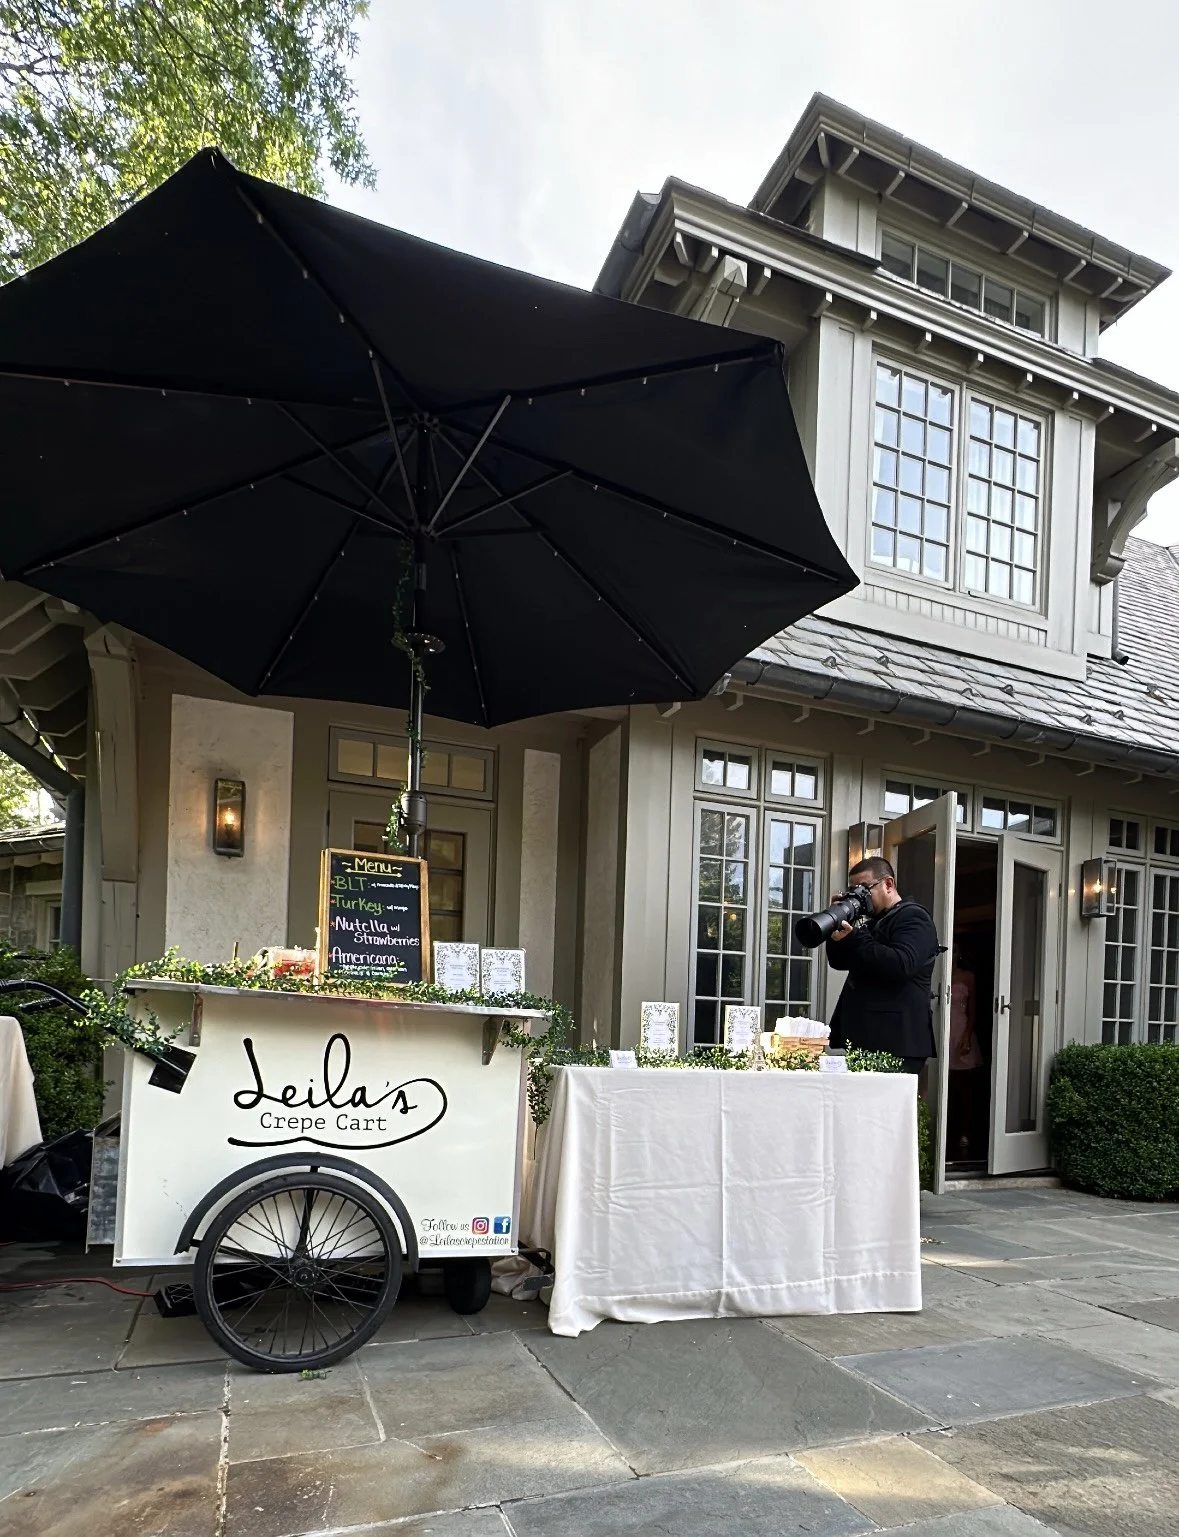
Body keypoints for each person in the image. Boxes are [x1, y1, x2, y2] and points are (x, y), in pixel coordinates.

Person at [826, 856, 940, 1073]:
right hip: (868, 1037)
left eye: (864, 890)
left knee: (884, 1097)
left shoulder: (914, 917)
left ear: (888, 884)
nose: (859, 898)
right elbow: (839, 961)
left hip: (896, 1041)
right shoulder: (872, 924)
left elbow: (902, 963)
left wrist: (856, 938)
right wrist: (836, 925)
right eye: (853, 891)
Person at [947, 946, 984, 1157]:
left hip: (960, 1029)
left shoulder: (968, 976)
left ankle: (965, 1131)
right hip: (943, 1028)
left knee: (963, 1086)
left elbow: (972, 1011)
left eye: (954, 952)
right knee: (942, 1085)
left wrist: (967, 1036)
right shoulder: (936, 972)